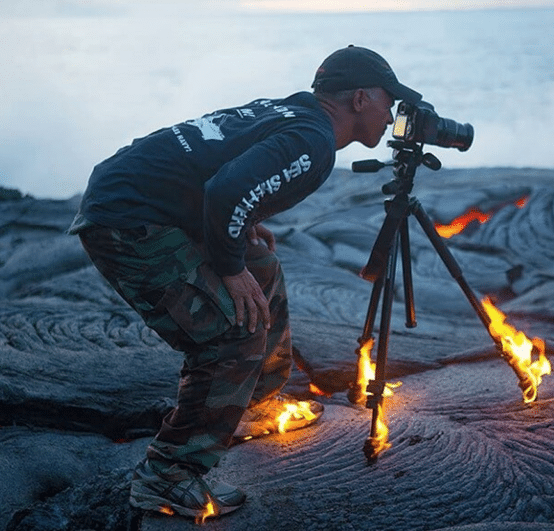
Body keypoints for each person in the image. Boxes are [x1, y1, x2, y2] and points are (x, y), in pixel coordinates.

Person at [68, 45, 422, 519]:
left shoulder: (294, 110)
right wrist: (229, 267)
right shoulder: (313, 140)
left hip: (141, 198)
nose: (392, 111)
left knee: (263, 267)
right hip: (128, 220)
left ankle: (250, 404)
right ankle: (167, 476)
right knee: (232, 334)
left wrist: (241, 225)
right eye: (388, 99)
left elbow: (223, 169)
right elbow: (225, 189)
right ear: (360, 99)